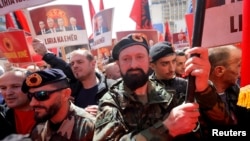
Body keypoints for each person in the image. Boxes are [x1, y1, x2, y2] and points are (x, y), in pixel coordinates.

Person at [93, 33, 230, 140]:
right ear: (118, 63)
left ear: (149, 60)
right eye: (126, 59)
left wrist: (203, 89)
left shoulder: (172, 94)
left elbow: (224, 126)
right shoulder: (111, 102)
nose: (133, 65)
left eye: (140, 57)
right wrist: (166, 128)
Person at [32, 39, 115, 116]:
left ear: (93, 64)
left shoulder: (112, 87)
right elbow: (62, 66)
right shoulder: (71, 92)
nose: (75, 66)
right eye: (72, 64)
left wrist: (105, 113)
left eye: (80, 62)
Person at [21, 68, 95, 140]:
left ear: (65, 94)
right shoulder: (39, 130)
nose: (32, 103)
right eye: (30, 96)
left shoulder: (90, 129)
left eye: (41, 95)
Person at [207, 45, 250, 136]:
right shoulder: (198, 101)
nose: (242, 70)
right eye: (239, 65)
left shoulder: (237, 91)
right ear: (219, 71)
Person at [0, 68, 35, 140]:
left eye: (15, 86)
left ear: (31, 87)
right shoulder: (2, 115)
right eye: (3, 88)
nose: (8, 93)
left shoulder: (51, 113)